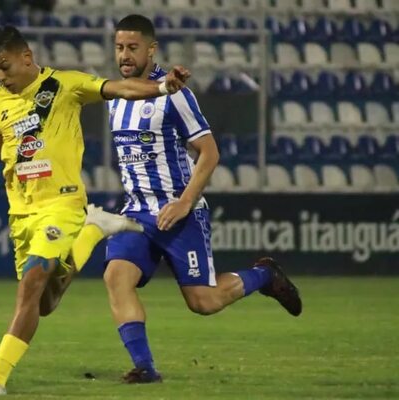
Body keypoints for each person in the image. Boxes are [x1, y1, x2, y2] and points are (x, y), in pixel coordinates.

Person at [0, 25, 191, 396]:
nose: (1, 76)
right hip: (22, 213)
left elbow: (120, 88)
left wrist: (162, 88)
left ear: (26, 57)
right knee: (44, 303)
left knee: (31, 283)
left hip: (61, 204)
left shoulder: (65, 86)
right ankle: (94, 229)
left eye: (5, 66)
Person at [102, 14, 303, 384]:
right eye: (119, 47)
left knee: (203, 302)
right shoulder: (115, 96)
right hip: (137, 212)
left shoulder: (174, 95)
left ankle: (264, 275)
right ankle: (145, 368)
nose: (125, 55)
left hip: (181, 213)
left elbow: (209, 153)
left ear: (151, 48)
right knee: (116, 276)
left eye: (132, 47)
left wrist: (183, 203)